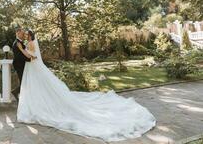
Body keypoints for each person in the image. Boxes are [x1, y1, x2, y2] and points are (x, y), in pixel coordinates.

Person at [16, 29, 156, 142]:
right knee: (39, 87)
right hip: (32, 69)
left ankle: (40, 104)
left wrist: (25, 52)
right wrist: (25, 51)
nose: (26, 36)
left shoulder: (31, 43)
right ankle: (38, 101)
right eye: (25, 35)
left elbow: (32, 56)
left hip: (33, 67)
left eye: (27, 34)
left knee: (42, 86)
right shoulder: (28, 43)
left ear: (30, 36)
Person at [11, 28, 36, 101]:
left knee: (25, 81)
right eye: (22, 33)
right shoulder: (16, 43)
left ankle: (23, 96)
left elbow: (25, 52)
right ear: (18, 33)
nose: (23, 35)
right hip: (19, 65)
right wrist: (29, 59)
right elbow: (19, 56)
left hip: (22, 65)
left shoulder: (20, 42)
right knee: (23, 82)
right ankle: (15, 92)